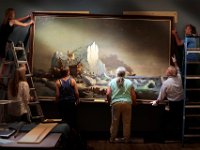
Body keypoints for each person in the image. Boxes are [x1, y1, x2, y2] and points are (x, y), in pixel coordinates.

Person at [151, 56, 184, 140]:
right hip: (180, 103)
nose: (165, 71)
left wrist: (156, 102)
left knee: (164, 120)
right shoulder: (179, 77)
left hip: (172, 105)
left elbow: (161, 96)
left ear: (169, 73)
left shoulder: (166, 83)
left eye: (167, 70)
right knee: (179, 120)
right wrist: (175, 62)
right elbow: (178, 69)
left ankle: (161, 137)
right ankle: (179, 136)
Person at [106, 66, 136, 143]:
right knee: (126, 122)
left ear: (116, 73)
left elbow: (108, 93)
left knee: (114, 122)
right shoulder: (129, 82)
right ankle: (126, 139)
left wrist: (109, 102)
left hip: (115, 104)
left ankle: (112, 139)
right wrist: (134, 103)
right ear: (125, 74)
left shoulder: (111, 82)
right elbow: (133, 95)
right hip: (127, 104)